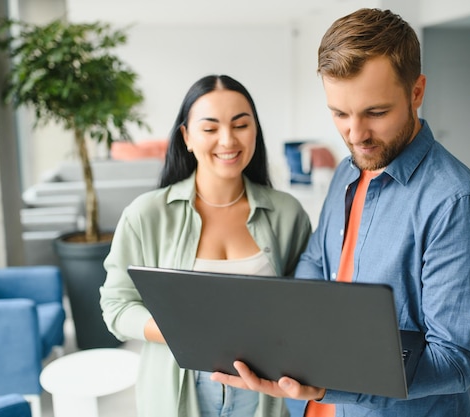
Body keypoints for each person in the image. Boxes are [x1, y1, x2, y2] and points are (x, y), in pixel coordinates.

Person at [211, 8, 470, 417]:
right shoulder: (348, 169)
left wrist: (330, 382)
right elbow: (318, 260)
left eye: (376, 113)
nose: (355, 134)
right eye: (339, 113)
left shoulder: (460, 207)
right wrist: (290, 343)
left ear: (417, 92)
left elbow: (456, 362)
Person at [100, 74, 312, 417]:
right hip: (178, 389)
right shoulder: (147, 214)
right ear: (186, 136)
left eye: (240, 125)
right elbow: (116, 305)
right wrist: (186, 333)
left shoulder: (288, 213)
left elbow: (306, 305)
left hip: (263, 393)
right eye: (210, 128)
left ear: (255, 131)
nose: (227, 140)